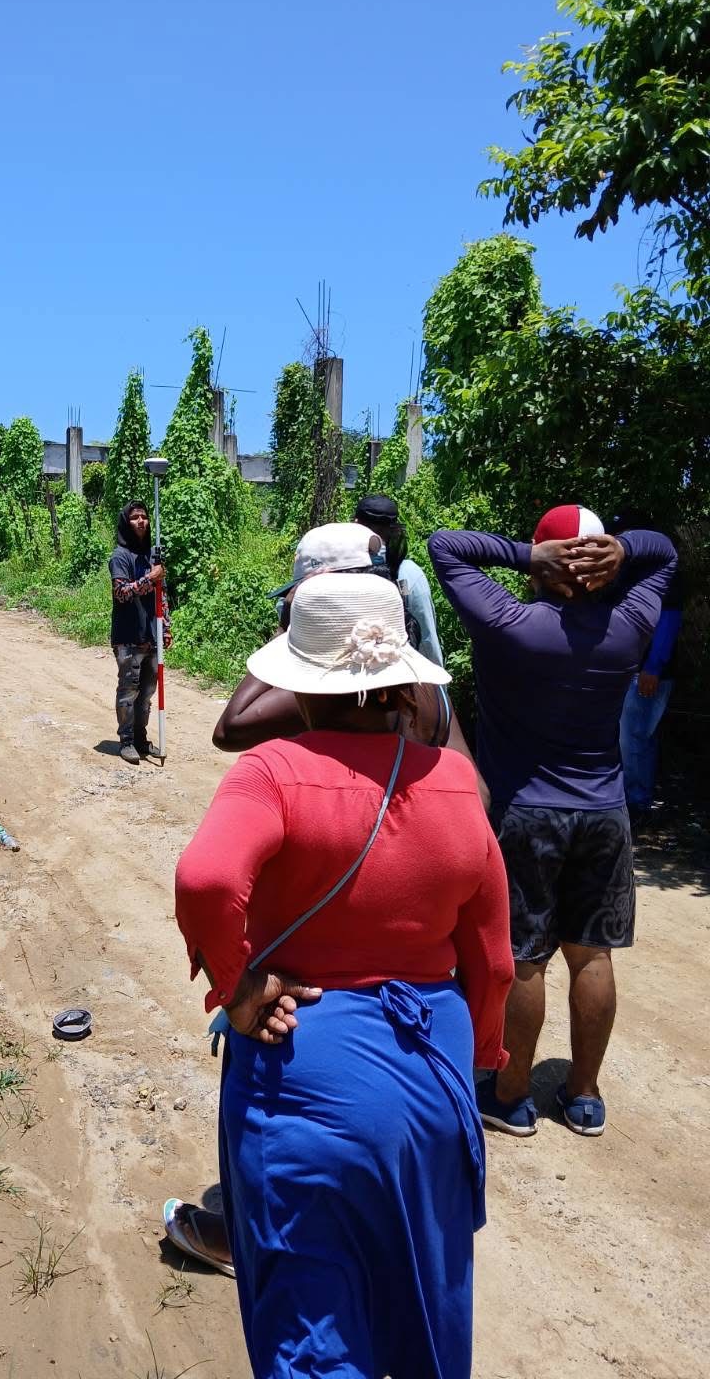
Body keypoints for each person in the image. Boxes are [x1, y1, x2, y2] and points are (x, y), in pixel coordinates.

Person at [174, 574, 513, 1379]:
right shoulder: (455, 781)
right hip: (432, 1081)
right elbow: (495, 961)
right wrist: (476, 1059)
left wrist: (238, 991)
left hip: (303, 1067)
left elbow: (206, 880)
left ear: (299, 685)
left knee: (314, 1329)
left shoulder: (271, 769)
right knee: (426, 1310)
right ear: (403, 683)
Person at [428, 506, 677, 1139]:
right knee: (592, 954)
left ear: (544, 562)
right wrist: (624, 549)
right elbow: (665, 552)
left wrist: (523, 554)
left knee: (525, 958)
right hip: (605, 813)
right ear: (600, 566)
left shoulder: (510, 624)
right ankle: (584, 1096)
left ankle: (512, 1095)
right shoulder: (628, 626)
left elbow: (446, 545)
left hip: (525, 815)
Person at [213, 523, 483, 798]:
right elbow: (478, 793)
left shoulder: (327, 689)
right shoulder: (431, 688)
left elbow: (228, 730)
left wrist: (288, 631)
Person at [609, 511, 683, 827]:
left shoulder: (659, 572)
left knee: (633, 739)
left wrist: (653, 666)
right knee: (637, 737)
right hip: (633, 670)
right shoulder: (632, 572)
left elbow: (670, 618)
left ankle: (637, 803)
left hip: (647, 673)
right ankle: (635, 801)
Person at [355, 493, 445, 666]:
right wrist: (436, 674)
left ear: (355, 524)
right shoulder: (406, 574)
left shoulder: (337, 569)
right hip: (399, 670)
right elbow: (425, 632)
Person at [108, 501, 167, 764]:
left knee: (147, 692)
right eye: (135, 518)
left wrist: (166, 628)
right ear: (126, 522)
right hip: (128, 635)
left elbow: (161, 595)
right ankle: (127, 741)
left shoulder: (153, 557)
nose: (141, 521)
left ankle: (141, 739)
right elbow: (121, 593)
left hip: (151, 635)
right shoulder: (119, 556)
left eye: (144, 516)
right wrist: (149, 578)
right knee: (128, 691)